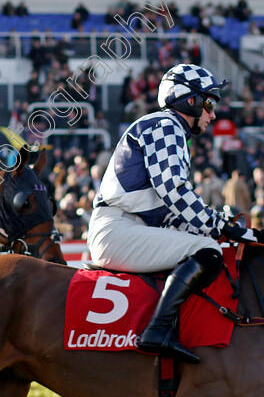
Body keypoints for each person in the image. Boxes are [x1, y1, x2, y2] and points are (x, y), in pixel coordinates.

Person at [87, 64, 264, 364]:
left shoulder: (169, 129)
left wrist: (225, 227)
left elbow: (171, 211)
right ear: (188, 100)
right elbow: (175, 191)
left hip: (126, 226)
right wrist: (221, 227)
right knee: (208, 250)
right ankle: (158, 330)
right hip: (117, 229)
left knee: (205, 242)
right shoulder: (166, 125)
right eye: (209, 103)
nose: (213, 114)